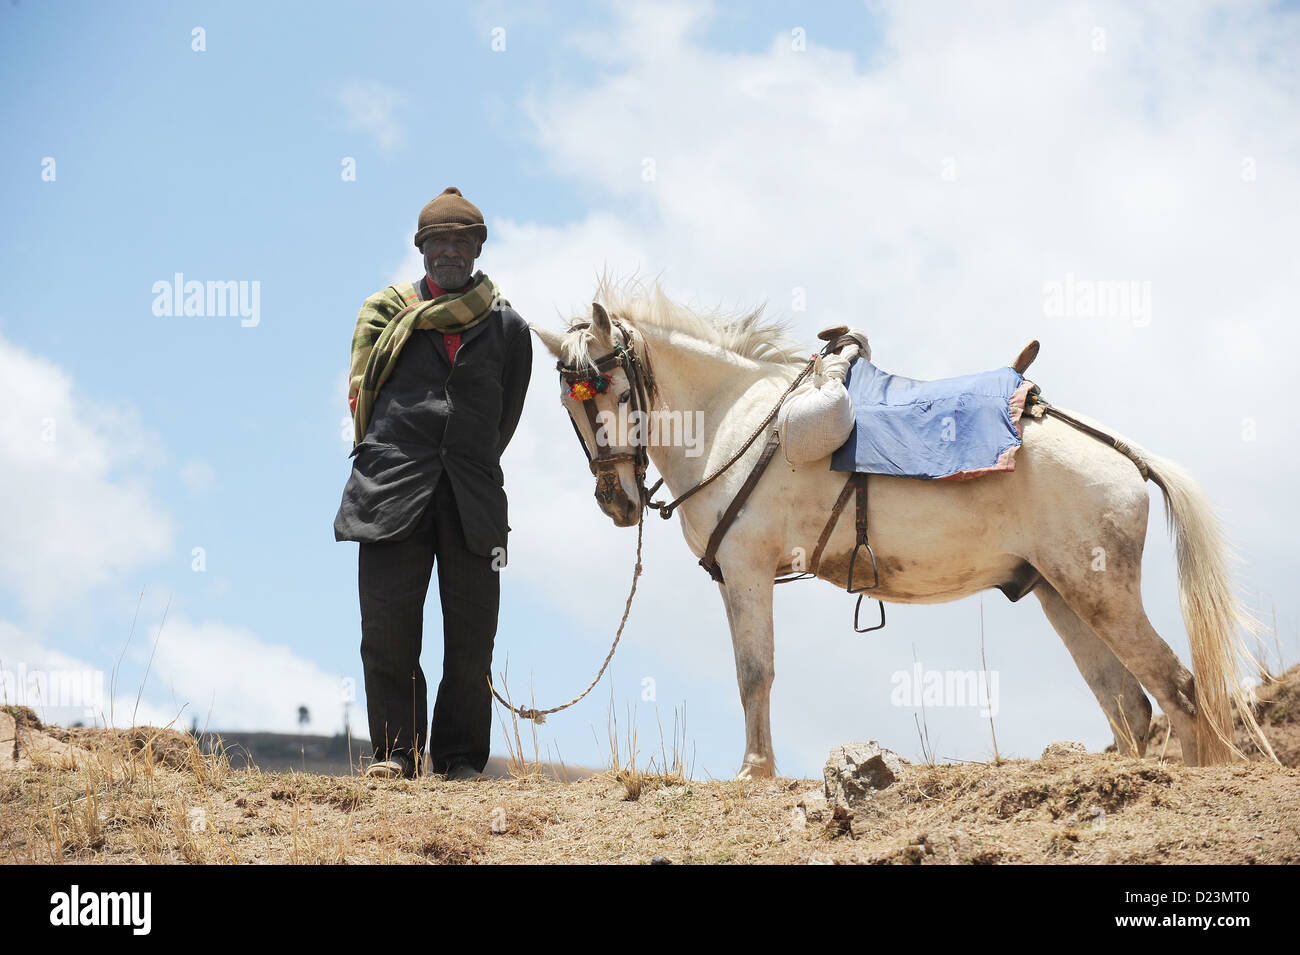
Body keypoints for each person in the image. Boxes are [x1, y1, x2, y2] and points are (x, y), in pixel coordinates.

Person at [334, 187, 532, 780]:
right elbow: (361, 395)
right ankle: (395, 755)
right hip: (390, 492)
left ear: (477, 248)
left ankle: (461, 761)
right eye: (437, 242)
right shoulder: (385, 314)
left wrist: (465, 461)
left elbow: (506, 417)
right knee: (388, 634)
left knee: (472, 640)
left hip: (473, 500)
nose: (449, 251)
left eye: (460, 241)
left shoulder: (507, 328)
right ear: (421, 250)